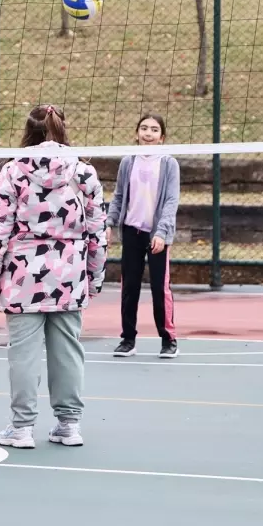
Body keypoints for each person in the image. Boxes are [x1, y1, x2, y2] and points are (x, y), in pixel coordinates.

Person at [0, 104, 107, 449]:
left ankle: (21, 428)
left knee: (23, 354)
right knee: (67, 351)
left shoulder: (12, 172)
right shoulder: (84, 173)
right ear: (63, 131)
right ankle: (69, 424)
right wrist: (95, 276)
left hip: (23, 277)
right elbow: (98, 231)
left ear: (28, 133)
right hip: (69, 273)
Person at [105, 113, 181, 358]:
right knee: (130, 287)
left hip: (157, 235)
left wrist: (162, 232)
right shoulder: (128, 161)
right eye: (144, 128)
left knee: (160, 289)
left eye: (154, 129)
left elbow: (171, 202)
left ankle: (168, 339)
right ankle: (128, 339)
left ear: (162, 137)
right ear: (137, 133)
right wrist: (109, 223)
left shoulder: (169, 163)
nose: (148, 133)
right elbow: (118, 197)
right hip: (131, 232)